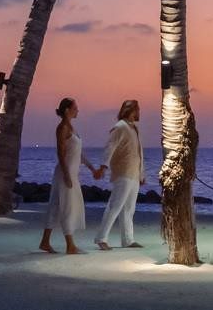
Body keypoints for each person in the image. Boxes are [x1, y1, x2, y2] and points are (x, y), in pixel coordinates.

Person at [39, 97, 100, 254]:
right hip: (65, 173)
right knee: (68, 207)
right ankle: (70, 245)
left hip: (70, 172)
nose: (78, 110)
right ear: (67, 110)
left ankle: (45, 242)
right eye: (75, 107)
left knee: (55, 206)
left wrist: (92, 168)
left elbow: (78, 154)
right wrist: (66, 175)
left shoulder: (71, 128)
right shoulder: (62, 128)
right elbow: (60, 153)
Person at [93, 99, 146, 250]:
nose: (139, 112)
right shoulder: (120, 127)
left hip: (134, 173)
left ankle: (128, 240)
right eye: (137, 109)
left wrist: (141, 174)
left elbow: (138, 153)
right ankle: (101, 238)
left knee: (129, 209)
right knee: (115, 206)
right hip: (123, 173)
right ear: (131, 111)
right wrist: (103, 167)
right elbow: (110, 147)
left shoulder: (134, 128)